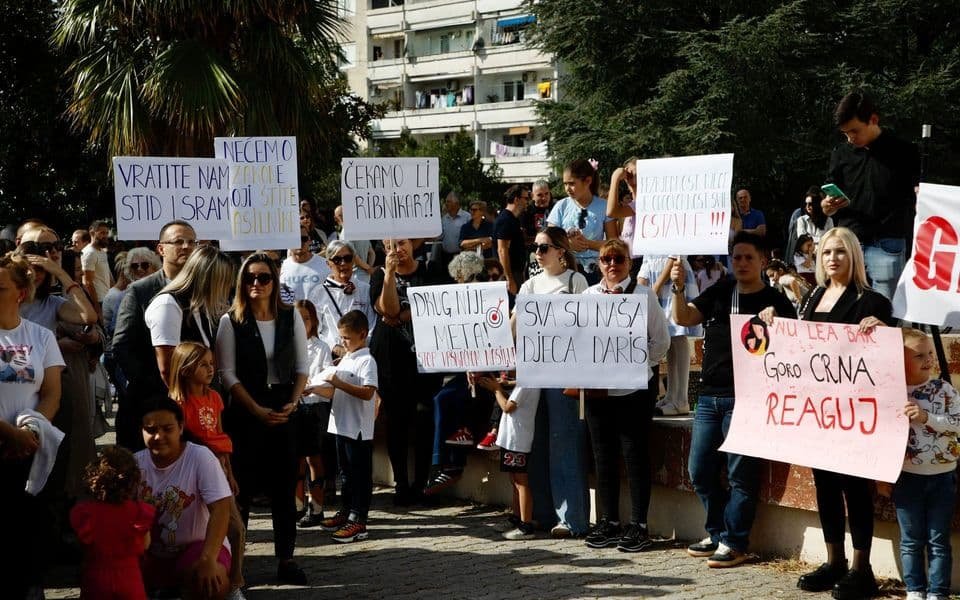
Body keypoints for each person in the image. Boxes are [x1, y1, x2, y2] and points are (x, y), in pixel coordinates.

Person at [671, 231, 796, 568]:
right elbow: (682, 319)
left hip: (749, 400)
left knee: (741, 475)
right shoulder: (721, 291)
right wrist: (679, 287)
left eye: (748, 257)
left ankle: (735, 542)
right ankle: (717, 533)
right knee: (699, 471)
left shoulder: (777, 302)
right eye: (736, 257)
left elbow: (793, 349)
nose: (741, 263)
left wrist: (777, 325)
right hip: (710, 398)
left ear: (762, 261)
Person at [794, 226, 894, 598]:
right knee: (825, 487)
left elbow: (888, 356)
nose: (832, 258)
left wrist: (882, 331)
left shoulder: (873, 301)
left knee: (855, 489)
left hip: (854, 414)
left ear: (854, 256)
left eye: (840, 252)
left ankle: (860, 568)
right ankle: (834, 560)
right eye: (826, 253)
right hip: (818, 412)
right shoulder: (812, 297)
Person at [217, 252, 309, 584]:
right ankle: (236, 562)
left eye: (264, 277)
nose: (257, 284)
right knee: (242, 490)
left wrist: (294, 402)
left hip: (284, 407)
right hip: (246, 410)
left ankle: (286, 558)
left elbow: (302, 366)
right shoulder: (231, 320)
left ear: (274, 281)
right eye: (250, 278)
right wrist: (255, 409)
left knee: (285, 489)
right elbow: (226, 373)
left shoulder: (290, 316)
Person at [582, 240, 670, 552]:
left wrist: (633, 362)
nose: (612, 264)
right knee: (602, 456)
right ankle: (609, 521)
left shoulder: (644, 296)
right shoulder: (587, 297)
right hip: (598, 390)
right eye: (606, 259)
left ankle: (639, 525)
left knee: (634, 456)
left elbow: (661, 342)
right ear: (599, 263)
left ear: (629, 263)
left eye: (618, 258)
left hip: (634, 390)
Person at [0, 253, 66, 598]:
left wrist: (33, 431)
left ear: (20, 293)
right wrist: (9, 433)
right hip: (7, 444)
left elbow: (52, 392)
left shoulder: (40, 336)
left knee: (25, 539)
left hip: (27, 455)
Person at [519, 226, 591, 536]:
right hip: (535, 373)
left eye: (544, 247)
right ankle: (543, 513)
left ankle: (571, 518)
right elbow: (516, 327)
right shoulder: (529, 286)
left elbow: (588, 325)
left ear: (561, 250)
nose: (538, 252)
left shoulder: (576, 281)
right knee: (536, 444)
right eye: (535, 247)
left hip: (566, 372)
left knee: (565, 444)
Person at [822, 92, 920, 300]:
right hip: (848, 243)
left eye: (855, 131)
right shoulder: (840, 153)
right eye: (845, 133)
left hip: (887, 241)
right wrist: (828, 206)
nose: (850, 138)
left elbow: (917, 195)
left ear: (873, 120)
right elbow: (828, 197)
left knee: (883, 317)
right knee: (846, 312)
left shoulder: (905, 152)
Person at [369, 238, 445, 505]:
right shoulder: (379, 276)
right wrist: (389, 275)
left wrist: (402, 316)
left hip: (425, 357)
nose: (397, 249)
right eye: (392, 245)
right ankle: (401, 483)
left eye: (402, 243)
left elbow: (434, 304)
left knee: (424, 419)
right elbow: (385, 308)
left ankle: (422, 483)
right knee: (396, 422)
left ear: (412, 244)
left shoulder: (430, 269)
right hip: (391, 360)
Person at [168, 341, 246, 596]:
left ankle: (236, 581)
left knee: (236, 529)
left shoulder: (215, 397)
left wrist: (230, 474)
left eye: (211, 363)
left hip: (219, 468)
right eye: (203, 364)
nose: (210, 369)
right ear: (185, 368)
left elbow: (221, 436)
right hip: (191, 471)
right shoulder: (177, 404)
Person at [112, 220, 198, 449]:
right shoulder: (141, 290)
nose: (186, 247)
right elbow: (121, 345)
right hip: (149, 401)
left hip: (196, 399)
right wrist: (154, 387)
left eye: (191, 242)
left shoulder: (201, 289)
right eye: (178, 241)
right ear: (161, 249)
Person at [136, 395, 232, 600]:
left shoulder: (200, 457)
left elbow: (222, 508)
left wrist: (208, 559)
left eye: (167, 429)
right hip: (151, 553)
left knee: (211, 583)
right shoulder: (134, 463)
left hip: (198, 549)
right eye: (151, 430)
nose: (158, 436)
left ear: (180, 428)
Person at [892, 328, 960, 600]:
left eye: (930, 352)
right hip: (906, 477)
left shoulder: (944, 390)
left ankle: (938, 593)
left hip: (942, 476)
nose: (928, 359)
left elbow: (958, 424)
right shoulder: (891, 392)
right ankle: (915, 591)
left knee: (938, 540)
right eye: (919, 355)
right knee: (910, 540)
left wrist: (926, 417)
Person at [316, 310, 378, 542]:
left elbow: (368, 392)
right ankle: (346, 511)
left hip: (358, 429)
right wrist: (313, 388)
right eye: (341, 338)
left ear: (362, 334)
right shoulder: (347, 357)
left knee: (360, 475)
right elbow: (333, 388)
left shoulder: (367, 360)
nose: (343, 342)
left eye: (347, 338)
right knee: (346, 474)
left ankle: (359, 520)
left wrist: (339, 383)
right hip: (340, 425)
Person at [70, 446, 155, 600]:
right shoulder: (139, 511)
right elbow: (145, 544)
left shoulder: (85, 513)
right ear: (133, 479)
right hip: (130, 578)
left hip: (96, 578)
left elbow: (82, 543)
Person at [145, 245, 235, 387]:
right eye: (223, 281)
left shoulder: (200, 306)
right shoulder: (168, 304)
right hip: (175, 402)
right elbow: (167, 369)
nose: (227, 288)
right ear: (208, 279)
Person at [639, 255, 701, 416]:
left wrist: (658, 284)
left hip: (674, 277)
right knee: (669, 340)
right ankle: (671, 395)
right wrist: (643, 281)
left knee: (678, 335)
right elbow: (647, 258)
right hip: (655, 276)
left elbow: (676, 254)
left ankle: (681, 398)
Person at [292, 299, 334, 528]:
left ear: (314, 321)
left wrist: (308, 383)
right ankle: (297, 506)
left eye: (307, 318)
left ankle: (316, 508)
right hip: (294, 406)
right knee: (295, 459)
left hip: (313, 406)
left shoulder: (320, 347)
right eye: (298, 319)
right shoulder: (287, 345)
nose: (303, 323)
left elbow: (323, 376)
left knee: (313, 458)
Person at [548, 159, 617, 284]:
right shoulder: (561, 206)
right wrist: (568, 244)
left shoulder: (604, 206)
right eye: (565, 184)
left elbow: (613, 244)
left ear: (588, 181)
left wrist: (588, 244)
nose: (567, 189)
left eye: (572, 183)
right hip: (564, 271)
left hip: (595, 272)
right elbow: (548, 240)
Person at [307, 241, 377, 357]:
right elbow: (315, 331)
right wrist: (334, 347)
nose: (343, 263)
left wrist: (360, 346)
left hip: (361, 355)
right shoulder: (318, 293)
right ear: (328, 264)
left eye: (347, 258)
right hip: (330, 357)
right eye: (337, 260)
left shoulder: (365, 289)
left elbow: (372, 324)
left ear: (353, 261)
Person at [494, 185, 530, 296]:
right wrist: (509, 278)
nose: (527, 202)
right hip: (510, 273)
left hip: (516, 272)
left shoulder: (513, 219)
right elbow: (502, 250)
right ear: (516, 199)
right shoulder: (505, 219)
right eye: (526, 198)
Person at [81, 220, 112, 305]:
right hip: (99, 302)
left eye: (106, 233)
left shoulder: (102, 251)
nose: (105, 236)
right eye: (102, 233)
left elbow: (108, 276)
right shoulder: (89, 253)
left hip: (107, 299)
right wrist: (97, 309)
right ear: (92, 233)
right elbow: (87, 283)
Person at [439, 191, 471, 267]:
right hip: (446, 257)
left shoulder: (467, 217)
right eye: (446, 201)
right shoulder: (444, 218)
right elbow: (440, 236)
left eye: (448, 201)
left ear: (456, 203)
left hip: (462, 257)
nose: (446, 204)